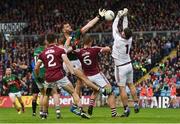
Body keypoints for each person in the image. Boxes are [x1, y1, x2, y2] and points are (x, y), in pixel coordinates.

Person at [61, 9, 107, 111]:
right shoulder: (62, 40)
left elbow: (89, 25)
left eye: (69, 25)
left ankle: (75, 105)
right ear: (64, 30)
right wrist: (72, 47)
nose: (70, 27)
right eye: (67, 27)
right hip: (69, 62)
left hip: (77, 61)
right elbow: (64, 52)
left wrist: (98, 16)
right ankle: (100, 90)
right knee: (83, 79)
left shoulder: (75, 34)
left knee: (79, 83)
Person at [34, 33, 89, 119]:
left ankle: (44, 114)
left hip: (49, 78)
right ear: (55, 40)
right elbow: (66, 61)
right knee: (73, 92)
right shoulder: (60, 50)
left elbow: (36, 68)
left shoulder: (42, 53)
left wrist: (37, 75)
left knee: (46, 95)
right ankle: (81, 110)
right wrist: (72, 72)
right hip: (60, 76)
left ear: (47, 42)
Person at [73, 35, 120, 117]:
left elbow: (71, 50)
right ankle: (114, 113)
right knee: (110, 91)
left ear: (83, 42)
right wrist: (104, 47)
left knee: (96, 90)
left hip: (87, 77)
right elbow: (108, 49)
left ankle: (91, 105)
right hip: (97, 74)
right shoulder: (94, 49)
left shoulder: (79, 51)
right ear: (90, 42)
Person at [112, 8, 139, 117]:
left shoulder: (118, 39)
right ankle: (136, 104)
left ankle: (126, 109)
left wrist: (118, 16)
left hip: (120, 67)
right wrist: (126, 16)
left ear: (123, 34)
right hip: (129, 65)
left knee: (122, 88)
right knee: (131, 85)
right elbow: (126, 27)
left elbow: (114, 27)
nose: (121, 31)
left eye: (122, 32)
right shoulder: (130, 39)